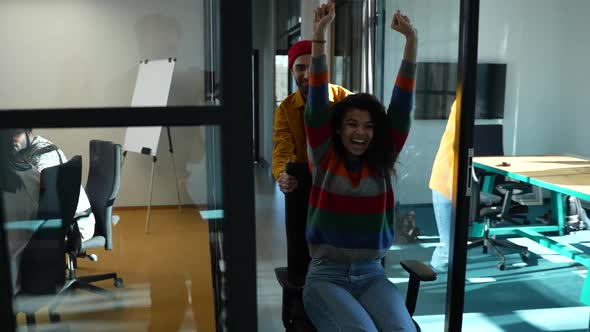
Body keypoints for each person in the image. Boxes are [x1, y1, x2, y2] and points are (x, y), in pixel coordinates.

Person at [302, 2, 418, 331]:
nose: (360, 132)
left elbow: (402, 102)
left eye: (368, 126)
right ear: (338, 128)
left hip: (372, 274)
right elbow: (317, 99)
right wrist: (320, 35)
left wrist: (411, 42)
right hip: (326, 276)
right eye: (352, 124)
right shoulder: (325, 155)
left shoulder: (383, 159)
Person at [272, 37, 352, 287]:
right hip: (307, 190)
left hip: (344, 188)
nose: (307, 74)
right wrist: (282, 174)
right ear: (292, 71)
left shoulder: (345, 100)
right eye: (299, 68)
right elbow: (282, 148)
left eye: (312, 66)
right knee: (304, 254)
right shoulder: (285, 109)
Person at [11, 129, 96, 242]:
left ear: (29, 131)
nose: (10, 139)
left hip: (74, 227)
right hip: (54, 219)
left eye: (16, 134)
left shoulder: (45, 153)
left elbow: (44, 193)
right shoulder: (22, 150)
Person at [429, 100, 457, 272]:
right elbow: (452, 150)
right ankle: (432, 273)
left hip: (457, 186)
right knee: (447, 248)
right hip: (445, 183)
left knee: (452, 245)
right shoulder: (460, 106)